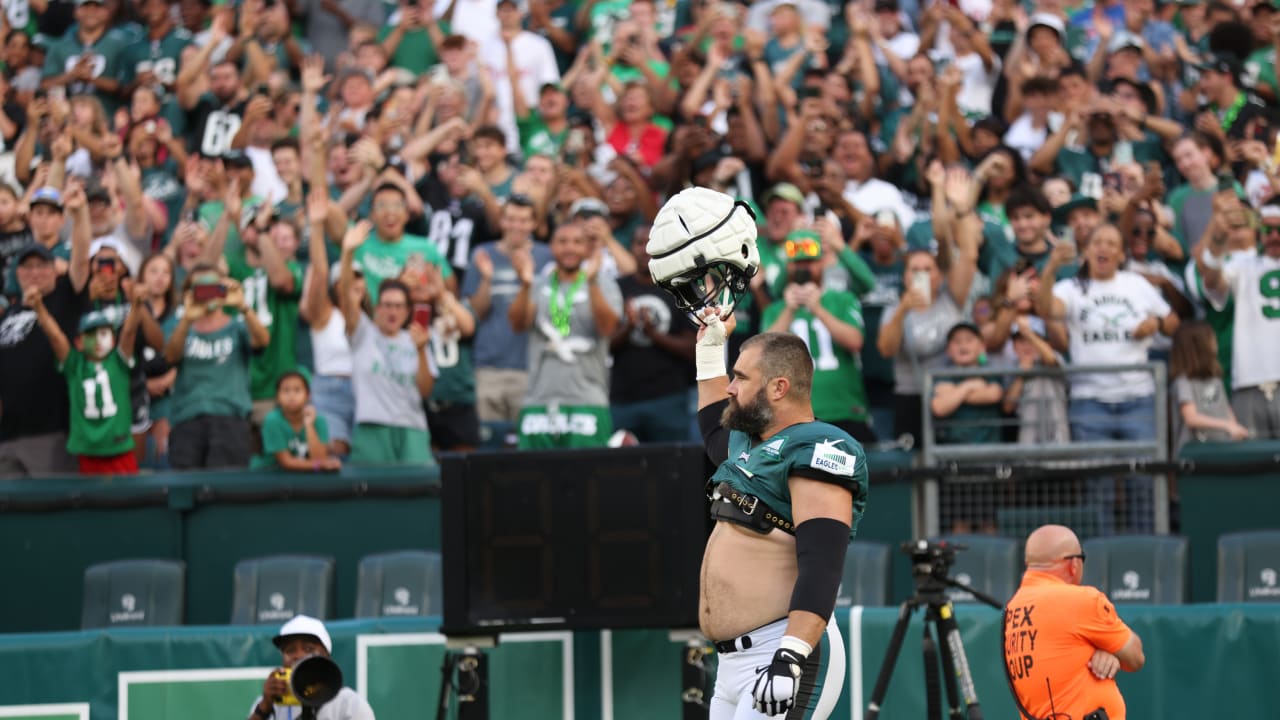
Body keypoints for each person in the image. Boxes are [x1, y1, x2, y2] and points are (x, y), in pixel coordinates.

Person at [695, 322, 867, 719]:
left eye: (740, 377)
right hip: (732, 663)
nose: (730, 387)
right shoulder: (749, 442)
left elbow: (823, 564)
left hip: (781, 648)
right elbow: (709, 424)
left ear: (778, 387)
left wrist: (790, 656)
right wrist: (711, 343)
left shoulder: (820, 447)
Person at [1004, 524, 1145, 720]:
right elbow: (1135, 656)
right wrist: (1112, 650)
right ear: (1074, 564)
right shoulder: (1081, 600)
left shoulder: (1011, 610)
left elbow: (1061, 657)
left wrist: (1106, 652)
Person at [508, 221, 621, 449]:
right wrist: (525, 284)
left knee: (589, 479)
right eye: (562, 241)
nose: (569, 248)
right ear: (551, 247)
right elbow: (518, 324)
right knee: (535, 479)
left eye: (577, 242)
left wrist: (591, 282)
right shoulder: (537, 284)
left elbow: (608, 328)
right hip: (538, 400)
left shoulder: (604, 285)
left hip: (587, 401)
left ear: (588, 249)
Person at [338, 221, 437, 466]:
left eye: (399, 306)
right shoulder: (363, 333)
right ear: (377, 308)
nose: (392, 311)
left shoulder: (417, 339)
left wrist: (422, 351)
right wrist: (348, 253)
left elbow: (425, 391)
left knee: (417, 493)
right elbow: (346, 297)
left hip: (411, 428)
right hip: (373, 426)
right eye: (387, 305)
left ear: (407, 311)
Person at [1197, 197, 1280, 439]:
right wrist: (1219, 238)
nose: (1274, 236)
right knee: (1252, 468)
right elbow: (1212, 281)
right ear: (1259, 231)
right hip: (1249, 379)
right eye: (1267, 229)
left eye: (1279, 229)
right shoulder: (1242, 264)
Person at [29, 296, 142, 475]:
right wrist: (39, 307)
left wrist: (137, 304)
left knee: (126, 499)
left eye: (103, 333)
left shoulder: (118, 361)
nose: (97, 340)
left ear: (113, 340)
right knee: (89, 501)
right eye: (90, 335)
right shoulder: (74, 365)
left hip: (120, 450)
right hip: (86, 454)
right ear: (78, 343)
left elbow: (129, 332)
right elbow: (56, 337)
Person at [248, 615, 375, 720]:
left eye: (309, 649)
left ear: (326, 656)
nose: (298, 656)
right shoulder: (270, 703)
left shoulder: (349, 704)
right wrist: (264, 708)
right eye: (290, 650)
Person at [1168, 321, 1251, 455]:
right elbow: (1191, 418)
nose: (1215, 343)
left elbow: (1225, 410)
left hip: (1221, 450)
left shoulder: (1215, 380)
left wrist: (1235, 427)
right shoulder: (1183, 382)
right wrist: (1227, 426)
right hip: (1193, 456)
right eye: (1212, 339)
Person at [251, 370, 342, 472]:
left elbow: (319, 459)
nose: (291, 396)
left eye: (297, 390)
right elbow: (286, 462)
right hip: (267, 476)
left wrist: (309, 425)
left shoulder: (319, 420)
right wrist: (320, 465)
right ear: (277, 397)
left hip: (304, 478)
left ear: (308, 395)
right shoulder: (272, 420)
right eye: (286, 390)